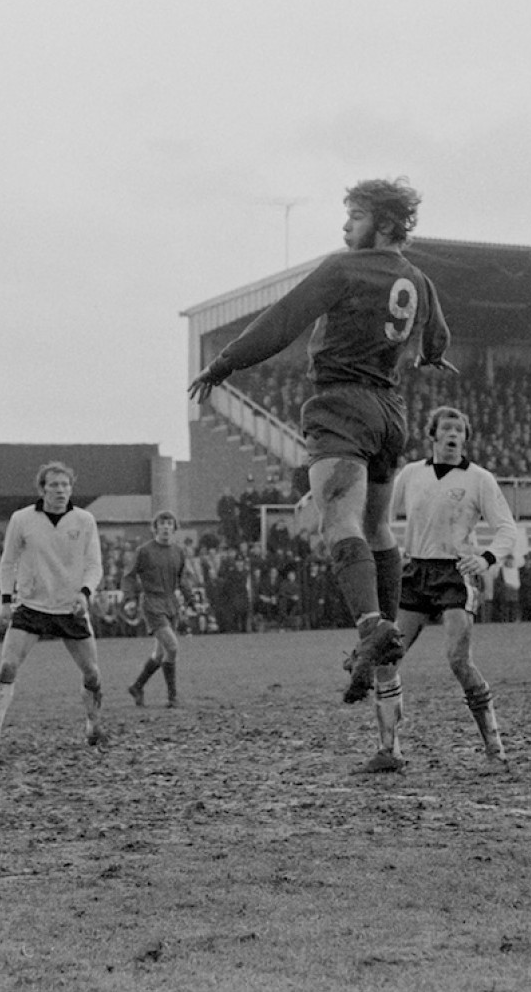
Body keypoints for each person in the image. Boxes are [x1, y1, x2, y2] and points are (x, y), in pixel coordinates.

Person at [189, 177, 455, 703]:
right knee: (378, 527)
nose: (345, 226)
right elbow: (437, 336)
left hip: (341, 405)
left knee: (338, 521)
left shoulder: (344, 267)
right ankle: (385, 635)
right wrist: (430, 356)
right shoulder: (420, 281)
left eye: (354, 216)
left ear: (383, 223)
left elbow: (282, 320)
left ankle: (372, 626)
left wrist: (225, 363)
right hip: (390, 413)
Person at [353, 406, 518, 774]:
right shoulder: (412, 474)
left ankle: (495, 751)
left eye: (459, 430)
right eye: (446, 428)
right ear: (433, 435)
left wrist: (486, 559)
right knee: (387, 660)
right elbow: (378, 516)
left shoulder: (479, 479)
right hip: (414, 572)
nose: (453, 434)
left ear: (465, 438)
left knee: (458, 660)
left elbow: (507, 528)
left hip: (455, 574)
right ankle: (388, 750)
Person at [0, 461, 106, 752]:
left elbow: (95, 565)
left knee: (92, 673)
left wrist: (85, 594)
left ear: (71, 489)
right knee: (7, 667)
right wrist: (6, 602)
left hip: (70, 607)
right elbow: (8, 562)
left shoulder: (84, 520)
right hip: (31, 606)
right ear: (42, 490)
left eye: (65, 485)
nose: (60, 490)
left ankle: (94, 727)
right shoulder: (22, 519)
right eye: (54, 485)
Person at [123, 511, 196, 708]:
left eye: (169, 523)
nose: (165, 527)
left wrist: (190, 599)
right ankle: (173, 697)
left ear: (174, 528)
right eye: (162, 523)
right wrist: (130, 599)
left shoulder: (178, 552)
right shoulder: (144, 551)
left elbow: (183, 579)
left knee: (159, 653)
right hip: (152, 603)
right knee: (172, 647)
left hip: (171, 603)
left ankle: (137, 687)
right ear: (155, 528)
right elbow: (129, 575)